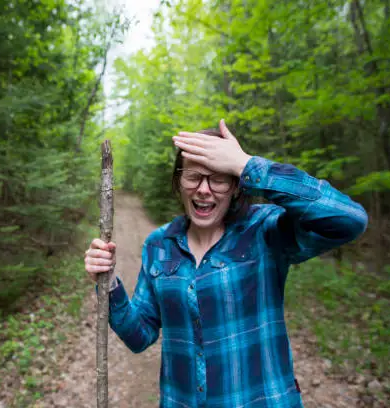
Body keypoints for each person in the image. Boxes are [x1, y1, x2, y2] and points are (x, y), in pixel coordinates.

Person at [84, 120, 368, 408]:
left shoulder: (264, 230)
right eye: (193, 176)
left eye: (219, 178)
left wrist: (247, 165)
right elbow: (139, 336)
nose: (204, 190)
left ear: (236, 186)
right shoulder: (159, 245)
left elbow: (349, 219)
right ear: (178, 182)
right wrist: (108, 284)